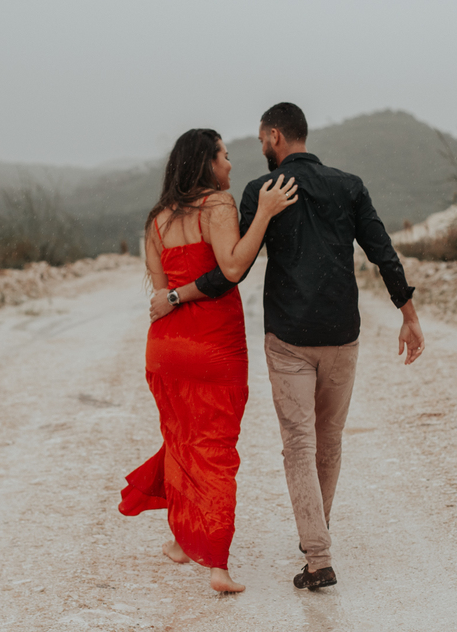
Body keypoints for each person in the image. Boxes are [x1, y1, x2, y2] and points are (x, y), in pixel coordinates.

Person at [150, 103, 425, 591]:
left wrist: (176, 295)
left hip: (288, 338)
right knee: (329, 439)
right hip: (342, 334)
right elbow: (381, 250)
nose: (258, 150)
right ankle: (316, 535)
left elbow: (230, 272)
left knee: (299, 443)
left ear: (275, 136)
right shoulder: (349, 185)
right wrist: (408, 313)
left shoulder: (262, 191)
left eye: (261, 140)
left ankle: (318, 554)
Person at [118, 128, 297, 594]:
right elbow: (232, 268)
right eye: (224, 155)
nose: (230, 164)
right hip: (213, 344)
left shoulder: (156, 219)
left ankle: (182, 542)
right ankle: (217, 565)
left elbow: (162, 296)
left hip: (165, 348)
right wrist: (265, 213)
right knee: (214, 447)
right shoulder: (218, 204)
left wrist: (177, 296)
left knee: (182, 440)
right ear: (207, 163)